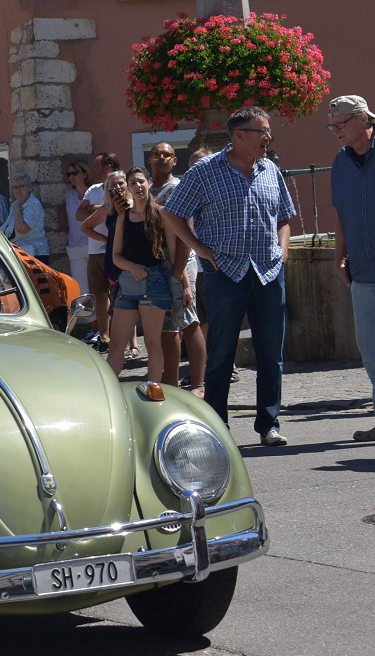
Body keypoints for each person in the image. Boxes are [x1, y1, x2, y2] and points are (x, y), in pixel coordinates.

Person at [164, 106, 296, 446]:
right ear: (239, 136)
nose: (268, 137)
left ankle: (269, 423)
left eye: (268, 131)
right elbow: (173, 214)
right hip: (225, 272)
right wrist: (200, 248)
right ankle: (218, 424)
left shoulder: (270, 169)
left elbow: (284, 216)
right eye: (261, 131)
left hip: (268, 271)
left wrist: (283, 250)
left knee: (271, 352)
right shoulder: (206, 171)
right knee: (221, 353)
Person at [107, 167, 184, 382]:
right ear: (128, 189)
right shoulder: (124, 216)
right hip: (128, 283)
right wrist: (132, 267)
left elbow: (174, 252)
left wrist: (184, 284)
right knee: (116, 344)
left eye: (141, 181)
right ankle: (108, 390)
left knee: (152, 342)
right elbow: (116, 256)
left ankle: (153, 387)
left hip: (155, 281)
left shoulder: (161, 213)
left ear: (148, 183)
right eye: (133, 183)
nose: (138, 186)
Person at [328, 94, 375, 441]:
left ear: (363, 120)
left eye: (340, 124)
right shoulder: (340, 162)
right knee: (369, 350)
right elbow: (342, 212)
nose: (335, 132)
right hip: (362, 271)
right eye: (332, 126)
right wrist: (339, 254)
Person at [151, 142, 207, 397]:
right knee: (166, 325)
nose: (161, 158)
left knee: (188, 320)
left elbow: (186, 231)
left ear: (175, 160)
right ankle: (171, 385)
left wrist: (180, 271)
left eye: (167, 155)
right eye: (156, 154)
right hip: (158, 262)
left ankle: (198, 383)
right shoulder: (149, 189)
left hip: (180, 261)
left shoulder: (178, 187)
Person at [76, 152, 122, 348]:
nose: (93, 170)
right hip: (95, 250)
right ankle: (105, 337)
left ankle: (127, 340)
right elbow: (79, 215)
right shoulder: (93, 189)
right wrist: (102, 208)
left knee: (120, 296)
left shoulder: (121, 185)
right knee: (100, 296)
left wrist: (95, 208)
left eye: (96, 166)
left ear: (108, 167)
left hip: (115, 252)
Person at [60, 159, 92, 299]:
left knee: (98, 288)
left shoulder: (95, 192)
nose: (71, 177)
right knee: (82, 291)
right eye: (69, 174)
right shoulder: (69, 196)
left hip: (94, 245)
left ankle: (103, 321)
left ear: (85, 174)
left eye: (75, 173)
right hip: (75, 246)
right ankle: (91, 321)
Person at [2, 172, 48, 263]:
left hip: (35, 254)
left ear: (29, 188)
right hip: (20, 252)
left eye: (21, 186)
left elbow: (21, 228)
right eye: (15, 187)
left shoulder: (34, 205)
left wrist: (18, 208)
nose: (17, 190)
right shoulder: (14, 205)